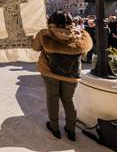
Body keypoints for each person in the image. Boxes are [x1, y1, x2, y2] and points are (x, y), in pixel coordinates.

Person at [32, 11, 92, 141]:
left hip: (50, 71)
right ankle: (71, 130)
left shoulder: (45, 33)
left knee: (52, 99)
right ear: (70, 21)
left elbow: (35, 48)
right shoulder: (81, 34)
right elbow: (84, 52)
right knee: (69, 100)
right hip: (72, 74)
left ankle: (54, 128)